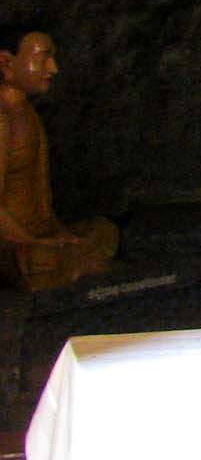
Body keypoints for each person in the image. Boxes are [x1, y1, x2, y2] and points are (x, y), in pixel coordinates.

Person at [0, 30, 117, 290]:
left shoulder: (27, 114)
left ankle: (69, 262)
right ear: (7, 63)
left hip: (38, 238)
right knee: (41, 260)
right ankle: (65, 266)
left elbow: (41, 197)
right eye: (44, 58)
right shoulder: (2, 117)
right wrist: (30, 241)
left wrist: (59, 233)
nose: (53, 68)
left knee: (103, 231)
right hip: (13, 246)